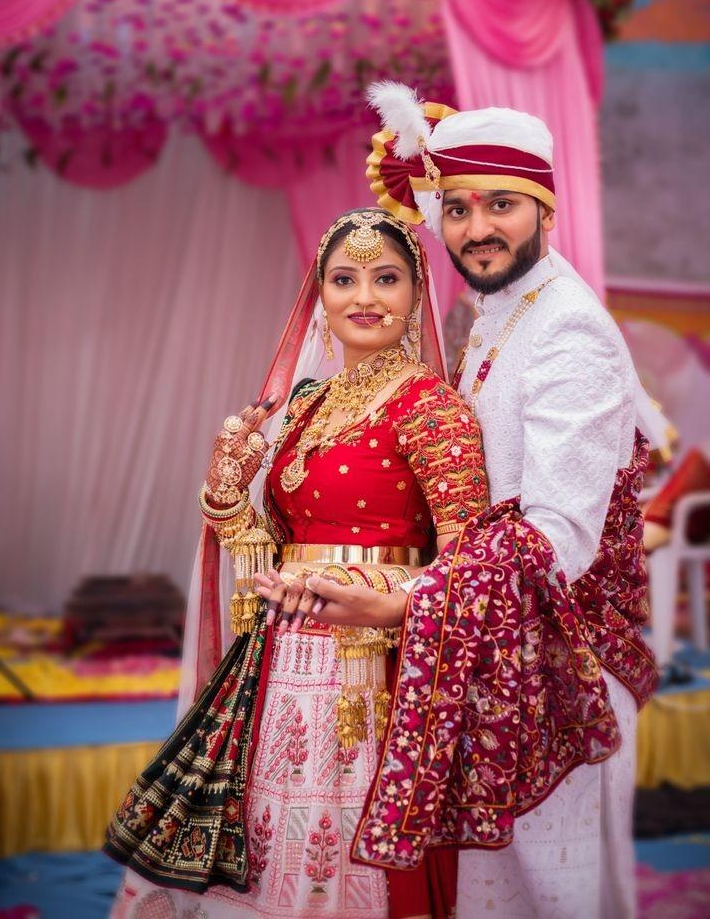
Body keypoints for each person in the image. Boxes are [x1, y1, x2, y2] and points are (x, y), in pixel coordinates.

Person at [272, 85, 663, 919]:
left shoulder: (568, 330)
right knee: (494, 897)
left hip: (564, 670)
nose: (476, 228)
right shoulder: (495, 314)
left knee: (555, 898)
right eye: (456, 207)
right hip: (495, 646)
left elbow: (557, 536)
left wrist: (402, 601)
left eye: (502, 205)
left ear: (546, 210)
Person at [103, 207, 490, 918]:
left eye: (386, 278)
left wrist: (368, 587)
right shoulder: (307, 406)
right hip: (280, 664)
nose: (364, 297)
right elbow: (269, 547)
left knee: (330, 850)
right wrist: (228, 484)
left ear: (416, 292)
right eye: (344, 279)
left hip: (369, 671)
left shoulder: (432, 408)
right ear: (320, 294)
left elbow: (471, 560)